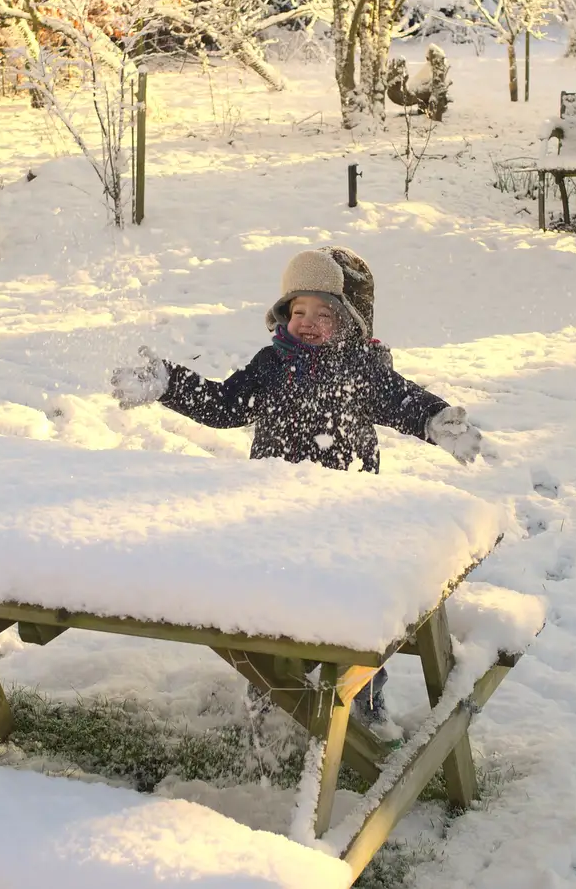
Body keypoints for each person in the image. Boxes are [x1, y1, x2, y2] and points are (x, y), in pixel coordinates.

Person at [109, 246, 483, 731]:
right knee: (273, 616)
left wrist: (435, 420)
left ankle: (364, 712)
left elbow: (402, 400)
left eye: (324, 313)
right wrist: (170, 384)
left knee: (352, 622)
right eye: (298, 310)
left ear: (348, 320)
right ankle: (270, 703)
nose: (307, 321)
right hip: (275, 519)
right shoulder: (272, 364)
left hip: (348, 523)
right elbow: (226, 405)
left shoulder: (361, 370)